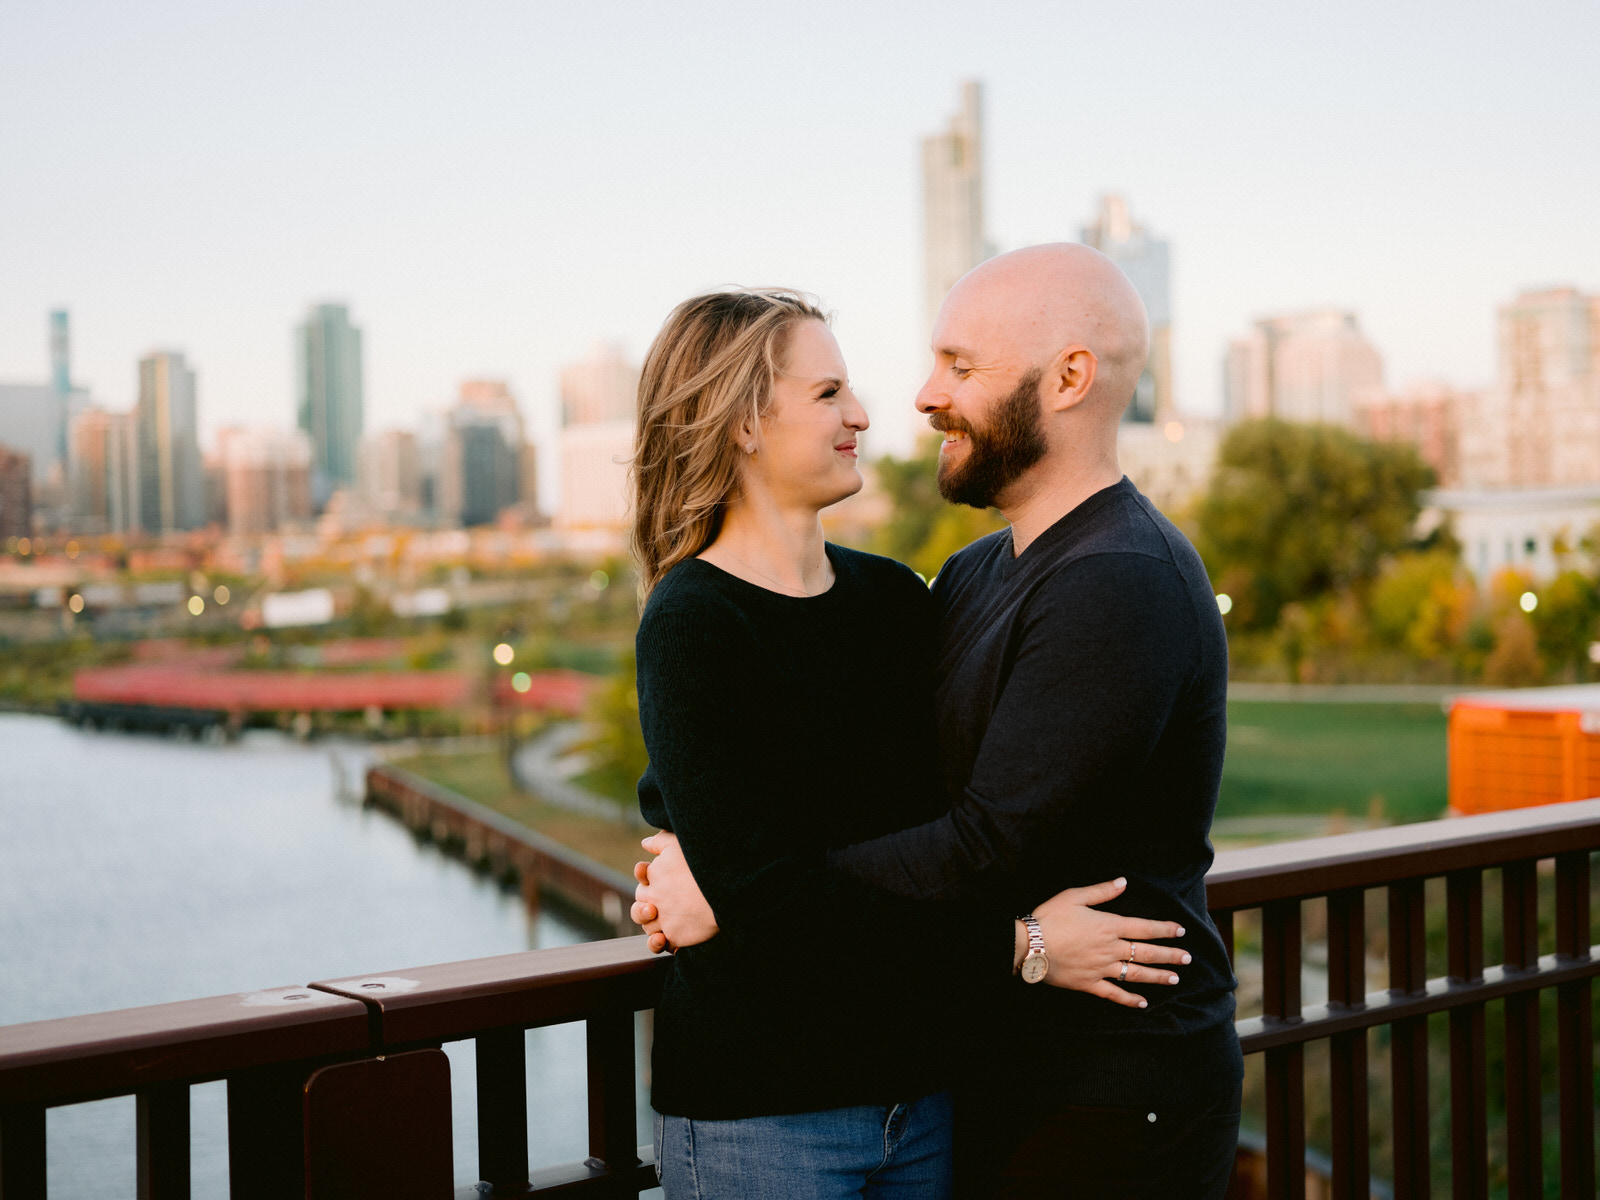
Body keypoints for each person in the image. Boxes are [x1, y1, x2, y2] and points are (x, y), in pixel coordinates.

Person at [635, 247, 1243, 1199]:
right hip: (852, 1090)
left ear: (1070, 378)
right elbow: (778, 778)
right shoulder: (959, 579)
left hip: (1097, 1080)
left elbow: (984, 839)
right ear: (742, 423)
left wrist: (738, 890)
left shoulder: (1108, 577)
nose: (907, 402)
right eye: (832, 390)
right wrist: (715, 856)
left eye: (959, 366)